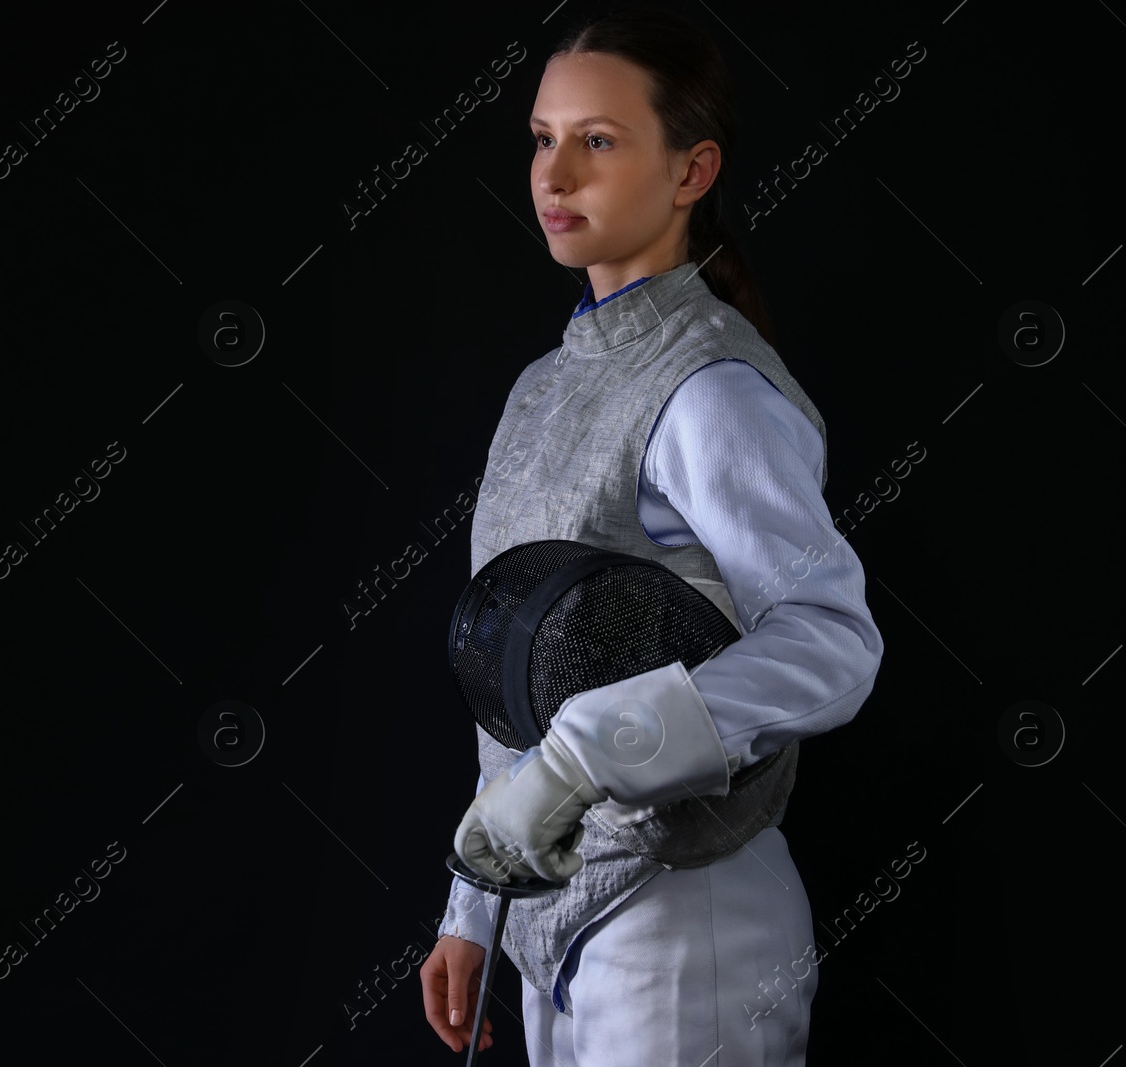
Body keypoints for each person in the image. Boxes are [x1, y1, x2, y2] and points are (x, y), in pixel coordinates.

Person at [419, 4, 884, 1064]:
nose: (555, 174)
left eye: (598, 140)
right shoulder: (542, 386)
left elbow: (830, 641)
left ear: (690, 170)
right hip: (551, 926)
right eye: (542, 139)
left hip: (689, 915)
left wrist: (586, 759)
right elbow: (518, 667)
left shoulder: (710, 384)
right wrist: (473, 899)